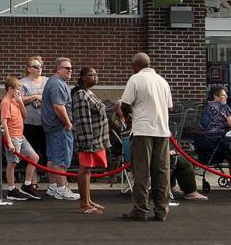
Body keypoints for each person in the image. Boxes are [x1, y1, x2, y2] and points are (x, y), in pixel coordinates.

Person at [119, 52, 173, 222]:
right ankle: (161, 210)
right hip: (162, 131)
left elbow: (125, 104)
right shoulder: (163, 81)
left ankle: (140, 209)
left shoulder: (135, 79)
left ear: (135, 66)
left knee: (141, 171)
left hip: (143, 130)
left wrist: (129, 117)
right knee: (162, 171)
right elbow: (169, 107)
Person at [71, 66, 110, 214]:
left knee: (88, 170)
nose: (95, 77)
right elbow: (82, 120)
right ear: (83, 77)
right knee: (84, 169)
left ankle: (88, 200)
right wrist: (87, 142)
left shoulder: (88, 92)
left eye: (96, 74)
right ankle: (83, 204)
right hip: (88, 139)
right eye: (91, 75)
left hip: (96, 139)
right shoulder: (80, 94)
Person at [40, 57, 79, 201]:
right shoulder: (57, 84)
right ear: (58, 69)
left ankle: (53, 186)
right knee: (61, 159)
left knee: (52, 158)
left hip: (51, 127)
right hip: (59, 127)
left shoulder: (54, 82)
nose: (70, 71)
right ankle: (62, 189)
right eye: (66, 68)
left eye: (71, 68)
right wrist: (68, 123)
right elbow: (58, 106)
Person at [0, 75, 40, 201]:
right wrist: (10, 142)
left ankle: (27, 184)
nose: (19, 92)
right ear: (10, 89)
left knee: (34, 157)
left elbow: (25, 115)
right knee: (12, 163)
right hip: (13, 136)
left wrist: (21, 102)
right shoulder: (5, 103)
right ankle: (11, 189)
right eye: (17, 89)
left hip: (20, 135)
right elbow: (4, 123)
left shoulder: (15, 101)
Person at [19, 56, 47, 185]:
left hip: (46, 122)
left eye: (40, 66)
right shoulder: (23, 82)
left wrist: (42, 100)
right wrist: (35, 96)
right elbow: (19, 100)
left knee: (47, 152)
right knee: (32, 153)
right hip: (29, 123)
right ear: (29, 69)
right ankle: (32, 181)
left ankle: (52, 183)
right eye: (36, 67)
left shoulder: (47, 81)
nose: (39, 69)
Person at [195, 85, 231, 164]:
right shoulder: (222, 106)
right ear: (215, 96)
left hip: (202, 143)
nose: (226, 97)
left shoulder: (206, 106)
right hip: (217, 142)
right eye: (223, 95)